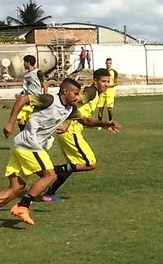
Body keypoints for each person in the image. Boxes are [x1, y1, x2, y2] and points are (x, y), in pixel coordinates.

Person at [0, 79, 114, 229]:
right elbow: (22, 99)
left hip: (21, 145)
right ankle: (23, 206)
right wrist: (10, 123)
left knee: (16, 187)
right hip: (29, 143)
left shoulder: (69, 109)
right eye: (75, 93)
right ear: (65, 91)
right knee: (50, 175)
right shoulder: (49, 100)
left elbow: (85, 120)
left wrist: (104, 124)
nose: (77, 97)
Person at [41, 68, 120, 202]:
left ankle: (48, 194)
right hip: (70, 131)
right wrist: (66, 121)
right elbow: (75, 102)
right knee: (90, 163)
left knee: (72, 166)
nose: (106, 84)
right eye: (103, 81)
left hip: (71, 130)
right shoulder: (91, 91)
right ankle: (49, 170)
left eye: (108, 82)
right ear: (95, 81)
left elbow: (86, 118)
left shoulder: (96, 93)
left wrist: (103, 124)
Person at [16, 55, 47, 130]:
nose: (23, 64)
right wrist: (21, 94)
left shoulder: (38, 72)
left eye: (24, 62)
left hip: (35, 100)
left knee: (32, 123)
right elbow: (27, 88)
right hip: (26, 100)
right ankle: (24, 138)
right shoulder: (26, 75)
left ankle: (47, 138)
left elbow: (45, 85)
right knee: (21, 122)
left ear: (28, 63)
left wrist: (46, 98)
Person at [97, 58, 118, 124]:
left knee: (109, 108)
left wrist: (109, 86)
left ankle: (110, 122)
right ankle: (99, 124)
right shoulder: (102, 72)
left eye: (109, 63)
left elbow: (116, 82)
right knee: (101, 108)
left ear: (111, 64)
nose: (108, 64)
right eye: (107, 63)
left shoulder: (114, 72)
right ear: (105, 63)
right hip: (102, 92)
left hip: (110, 92)